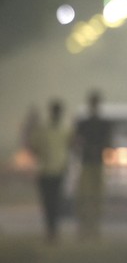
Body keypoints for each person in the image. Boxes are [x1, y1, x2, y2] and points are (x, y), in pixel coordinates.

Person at [29, 99, 72, 243]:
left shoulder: (64, 129)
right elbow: (33, 146)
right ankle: (51, 231)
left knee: (55, 202)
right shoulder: (46, 129)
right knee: (48, 203)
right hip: (46, 171)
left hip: (57, 171)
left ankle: (53, 231)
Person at [73, 90, 111, 239]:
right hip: (89, 163)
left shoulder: (97, 124)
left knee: (94, 198)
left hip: (94, 163)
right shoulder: (86, 124)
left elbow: (107, 143)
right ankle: (86, 229)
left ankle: (92, 229)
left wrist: (92, 148)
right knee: (86, 197)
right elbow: (77, 142)